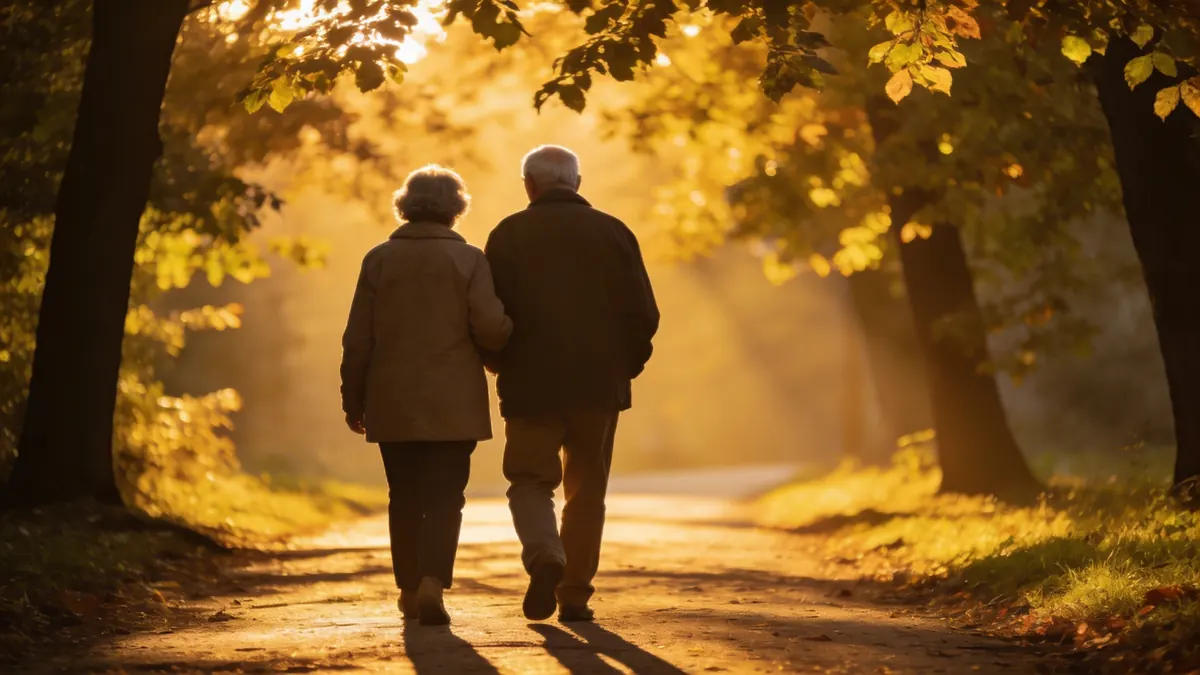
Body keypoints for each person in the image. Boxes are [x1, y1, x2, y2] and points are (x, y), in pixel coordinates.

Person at [484, 145, 659, 622]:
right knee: (586, 493)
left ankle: (545, 555)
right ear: (577, 183)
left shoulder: (507, 235)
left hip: (529, 385)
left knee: (529, 482)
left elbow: (487, 313)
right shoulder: (614, 232)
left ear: (530, 186)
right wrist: (624, 367)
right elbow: (644, 314)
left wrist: (497, 362)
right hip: (598, 387)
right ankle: (575, 594)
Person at [340, 165, 512, 626]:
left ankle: (410, 589)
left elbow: (358, 339)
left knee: (403, 496)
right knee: (445, 496)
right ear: (456, 208)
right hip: (453, 400)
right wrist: (510, 336)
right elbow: (491, 328)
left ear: (405, 205)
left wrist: (352, 399)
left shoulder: (378, 259)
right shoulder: (471, 260)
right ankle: (435, 580)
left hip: (391, 398)